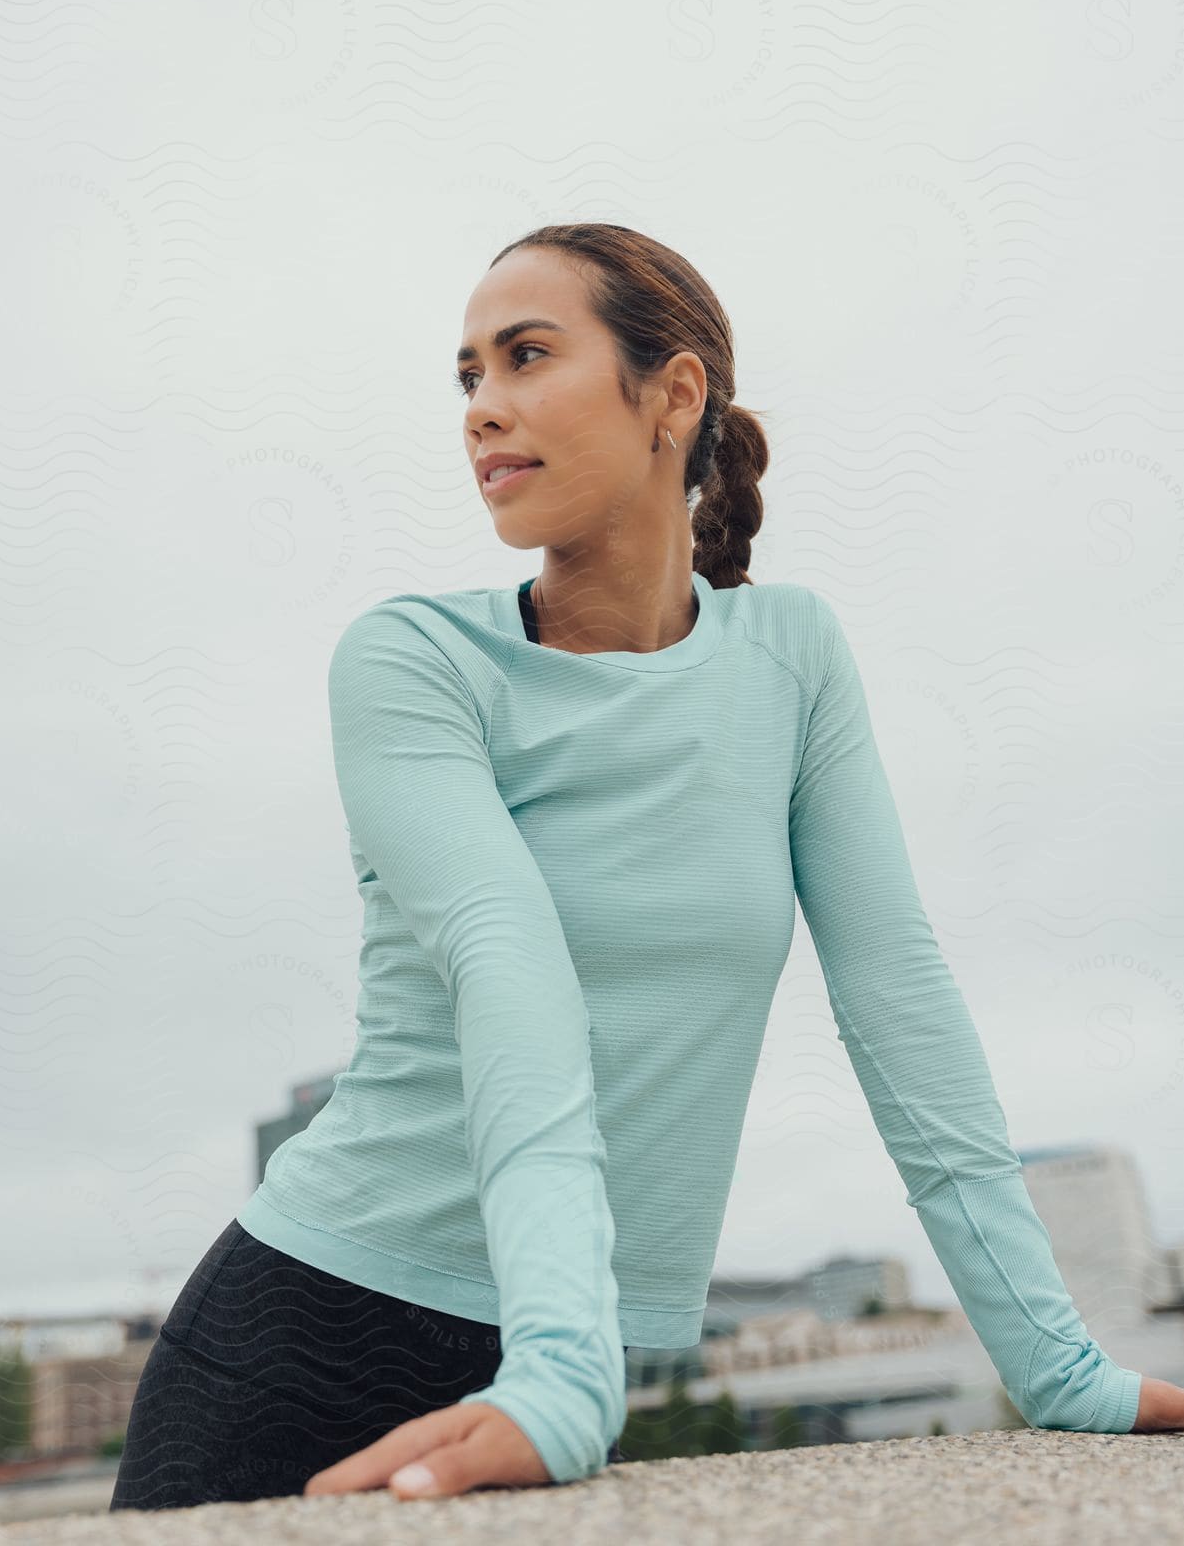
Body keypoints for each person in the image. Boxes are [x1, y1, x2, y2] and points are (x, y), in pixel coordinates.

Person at [111, 222, 1183, 1511]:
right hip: (310, 1340)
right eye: (468, 377)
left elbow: (899, 997)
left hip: (569, 1363)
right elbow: (513, 974)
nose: (482, 411)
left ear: (672, 396)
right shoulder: (411, 663)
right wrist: (563, 1369)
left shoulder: (790, 656)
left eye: (526, 357)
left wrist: (1056, 1366)